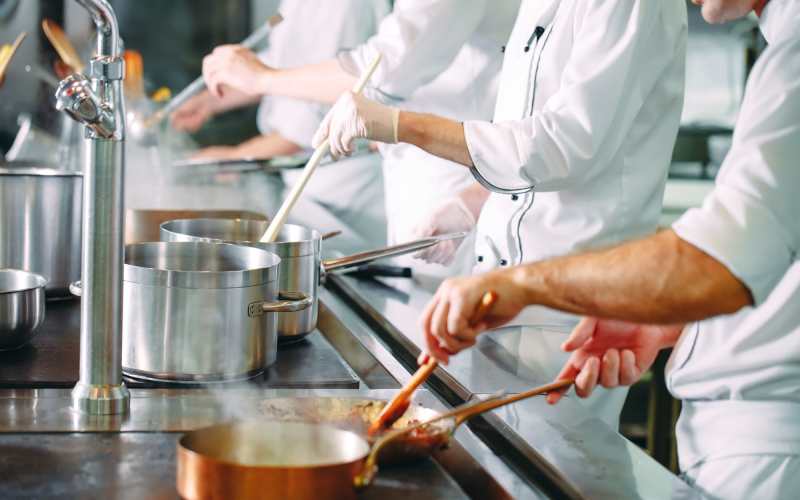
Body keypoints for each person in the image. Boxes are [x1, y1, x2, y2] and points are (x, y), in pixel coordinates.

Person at [416, 0, 800, 497]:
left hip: (769, 446)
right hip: (735, 434)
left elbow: (718, 266)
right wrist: (667, 320)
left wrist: (523, 285)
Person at [313, 0, 688, 428]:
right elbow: (527, 134)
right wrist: (473, 204)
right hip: (500, 291)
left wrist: (404, 125)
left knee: (546, 476)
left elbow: (564, 147)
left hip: (570, 315)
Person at [197, 0, 521, 285]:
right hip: (424, 166)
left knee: (437, 322)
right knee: (420, 317)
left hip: (456, 172)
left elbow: (386, 69)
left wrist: (261, 79)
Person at [171, 0, 390, 247]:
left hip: (345, 191)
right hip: (310, 182)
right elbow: (280, 64)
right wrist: (210, 100)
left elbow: (311, 123)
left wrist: (235, 157)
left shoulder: (342, 7)